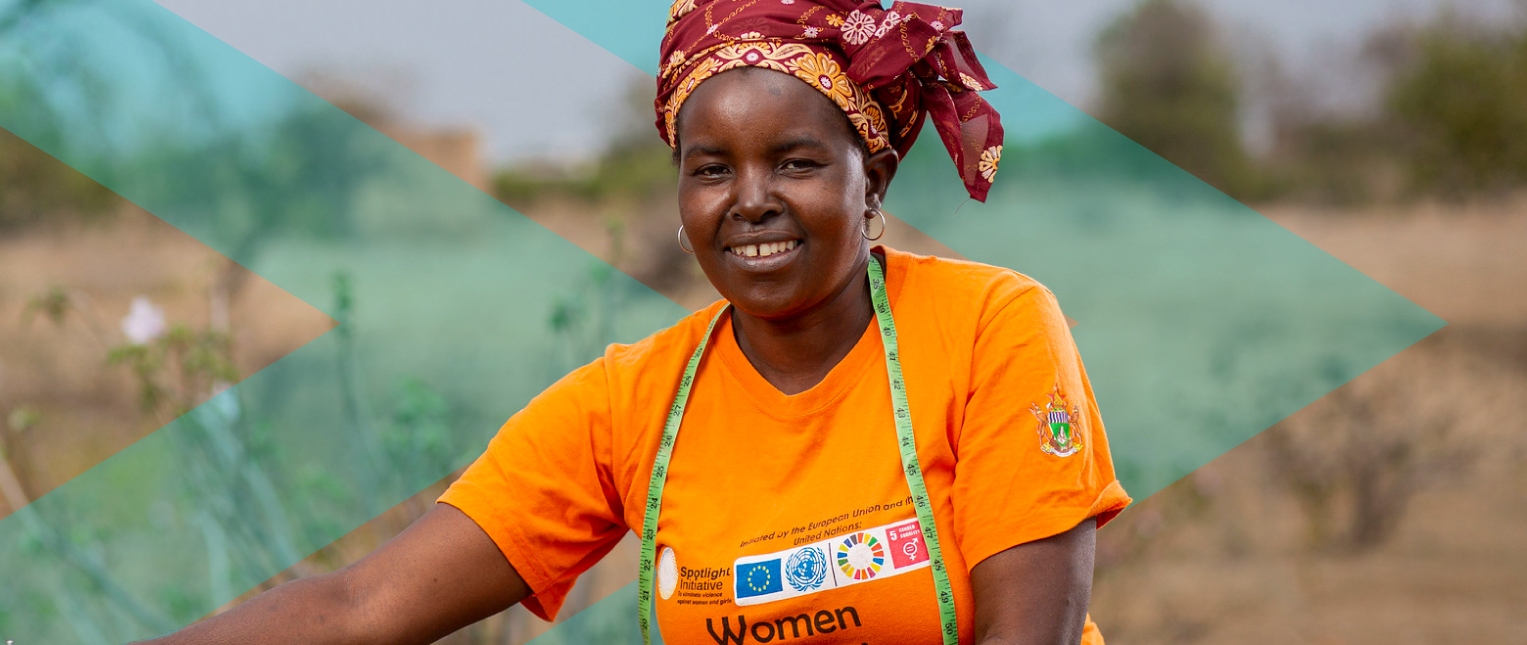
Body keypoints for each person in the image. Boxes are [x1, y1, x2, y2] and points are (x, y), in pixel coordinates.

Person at [140, 1, 1128, 643]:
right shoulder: (636, 404)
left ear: (871, 183)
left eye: (795, 161)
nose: (749, 201)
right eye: (711, 168)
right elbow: (361, 608)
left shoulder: (986, 328)